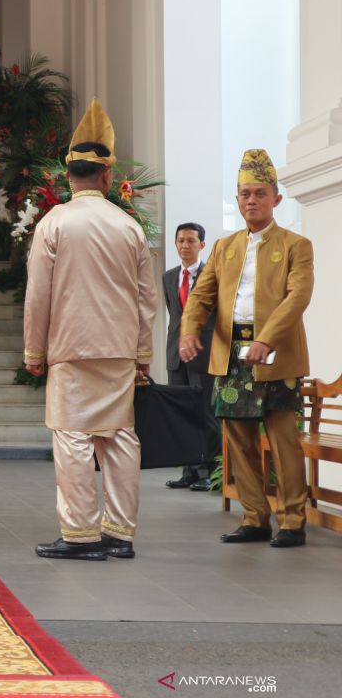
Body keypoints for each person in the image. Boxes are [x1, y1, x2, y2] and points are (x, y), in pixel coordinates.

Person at [23, 98, 157, 561]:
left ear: (68, 175)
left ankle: (80, 534)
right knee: (119, 436)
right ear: (105, 176)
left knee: (73, 436)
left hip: (71, 348)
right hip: (118, 350)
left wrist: (33, 352)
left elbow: (38, 296)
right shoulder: (129, 227)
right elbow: (146, 299)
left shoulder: (53, 223)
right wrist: (143, 354)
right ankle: (120, 534)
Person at [180, 149, 313, 548]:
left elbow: (298, 296)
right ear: (237, 200)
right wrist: (189, 331)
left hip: (275, 353)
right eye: (244, 194)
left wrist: (266, 339)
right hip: (230, 353)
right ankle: (255, 518)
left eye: (259, 193)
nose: (251, 200)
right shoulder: (223, 247)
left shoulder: (296, 245)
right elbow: (201, 297)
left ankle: (292, 521)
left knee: (283, 439)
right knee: (239, 438)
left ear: (276, 199)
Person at [163, 223, 217, 491]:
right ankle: (189, 471)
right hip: (176, 355)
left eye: (191, 241)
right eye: (181, 241)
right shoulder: (169, 277)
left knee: (204, 413)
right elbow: (175, 316)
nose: (185, 245)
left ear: (201, 245)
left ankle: (209, 470)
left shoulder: (212, 275)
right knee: (181, 415)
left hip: (203, 354)